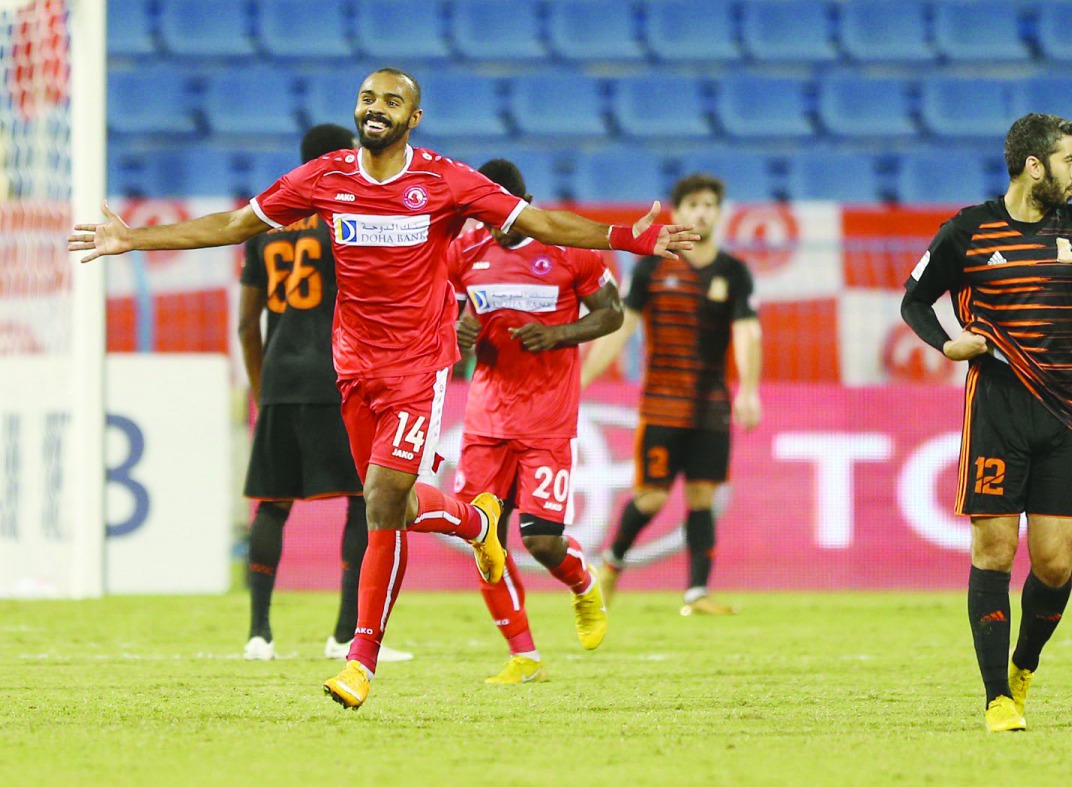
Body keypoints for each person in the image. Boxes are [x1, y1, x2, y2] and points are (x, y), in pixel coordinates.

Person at [68, 67, 698, 710]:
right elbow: (236, 224)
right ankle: (472, 520)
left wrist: (627, 237)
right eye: (368, 98)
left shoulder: (445, 180)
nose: (377, 108)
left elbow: (541, 224)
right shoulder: (325, 177)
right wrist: (133, 239)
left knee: (380, 498)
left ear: (412, 118)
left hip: (418, 368)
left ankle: (360, 660)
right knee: (389, 507)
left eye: (392, 101)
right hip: (353, 366)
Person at [899, 113, 1072, 733]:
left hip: (1065, 415)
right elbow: (913, 298)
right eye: (1070, 161)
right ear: (1036, 166)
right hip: (996, 409)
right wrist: (947, 345)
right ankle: (995, 697)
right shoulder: (968, 231)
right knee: (994, 551)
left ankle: (1024, 664)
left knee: (1056, 564)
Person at [447, 159, 621, 684]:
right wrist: (459, 335)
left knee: (541, 540)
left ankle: (583, 584)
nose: (495, 222)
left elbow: (611, 313)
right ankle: (524, 655)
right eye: (485, 212)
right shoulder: (464, 254)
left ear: (524, 205)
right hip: (486, 418)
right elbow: (447, 322)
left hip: (547, 418)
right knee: (484, 541)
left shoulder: (570, 249)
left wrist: (559, 335)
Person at [238, 123, 407, 665]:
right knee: (364, 502)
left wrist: (264, 390)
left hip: (282, 382)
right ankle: (343, 634)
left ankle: (258, 634)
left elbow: (247, 324)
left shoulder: (265, 230)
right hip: (340, 377)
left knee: (271, 505)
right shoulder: (347, 222)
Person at [580, 174, 763, 616]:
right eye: (694, 205)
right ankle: (611, 564)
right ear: (679, 212)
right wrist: (581, 379)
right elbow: (622, 327)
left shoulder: (733, 272)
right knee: (652, 497)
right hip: (662, 401)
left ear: (719, 212)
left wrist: (749, 390)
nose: (702, 212)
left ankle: (696, 593)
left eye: (710, 205)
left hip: (712, 406)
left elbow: (747, 331)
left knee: (702, 496)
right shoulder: (651, 267)